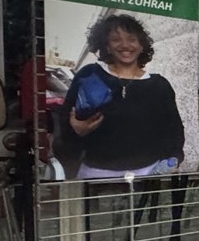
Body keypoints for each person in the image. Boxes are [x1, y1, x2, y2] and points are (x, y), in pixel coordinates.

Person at [60, 13, 184, 179]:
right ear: (107, 46)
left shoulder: (159, 85)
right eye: (116, 39)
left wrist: (174, 159)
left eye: (132, 39)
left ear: (141, 46)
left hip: (147, 175)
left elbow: (174, 129)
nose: (125, 45)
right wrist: (77, 131)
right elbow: (64, 123)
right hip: (95, 174)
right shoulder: (90, 75)